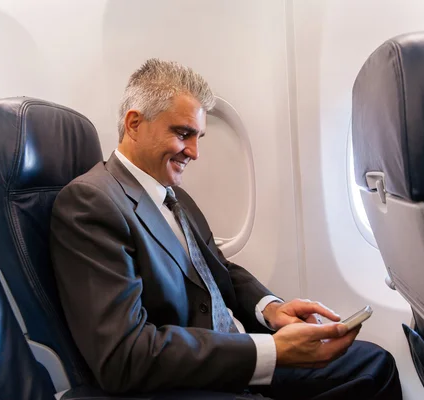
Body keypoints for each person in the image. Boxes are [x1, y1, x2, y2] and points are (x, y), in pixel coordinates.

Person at [50, 58, 402, 399]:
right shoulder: (91, 203)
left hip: (232, 347)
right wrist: (269, 351)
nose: (195, 152)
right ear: (134, 123)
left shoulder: (174, 196)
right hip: (189, 377)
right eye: (183, 134)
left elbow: (217, 270)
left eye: (199, 136)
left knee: (373, 366)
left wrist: (270, 308)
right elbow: (125, 355)